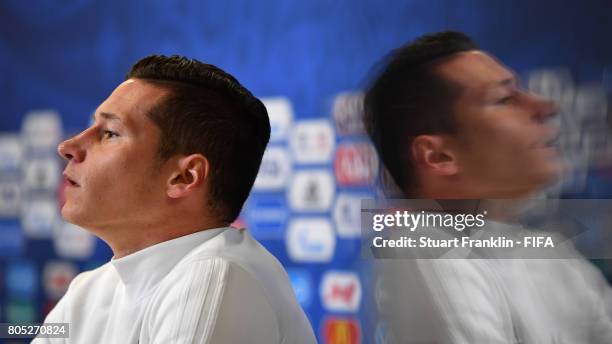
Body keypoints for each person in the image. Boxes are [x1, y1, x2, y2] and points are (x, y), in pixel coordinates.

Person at [33, 55, 316, 344]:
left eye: (109, 133)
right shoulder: (87, 292)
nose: (68, 146)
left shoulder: (216, 276)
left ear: (184, 177)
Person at [364, 31, 612, 343]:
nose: (543, 105)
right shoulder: (424, 250)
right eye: (504, 99)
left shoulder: (552, 253)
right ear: (439, 156)